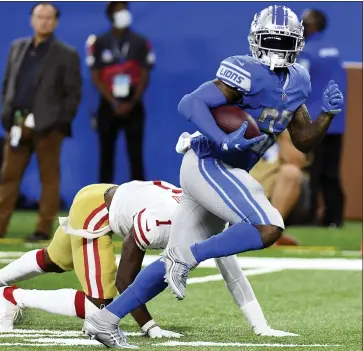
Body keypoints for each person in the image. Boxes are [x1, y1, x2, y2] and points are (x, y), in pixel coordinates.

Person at [83, 5, 344, 348]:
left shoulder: (300, 80)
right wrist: (222, 138)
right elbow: (190, 104)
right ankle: (188, 257)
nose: (278, 48)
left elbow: (302, 139)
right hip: (209, 161)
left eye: (284, 41)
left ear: (296, 43)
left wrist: (325, 115)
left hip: (228, 169)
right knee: (268, 226)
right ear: (257, 41)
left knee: (168, 266)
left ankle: (104, 320)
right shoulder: (246, 72)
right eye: (272, 40)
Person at [0, 181, 291, 341]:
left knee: (54, 259)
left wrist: (260, 327)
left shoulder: (214, 222)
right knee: (100, 308)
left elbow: (234, 276)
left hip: (113, 197)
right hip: (97, 210)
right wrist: (149, 325)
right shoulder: (163, 222)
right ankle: (11, 296)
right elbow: (125, 282)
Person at [0, 2, 82, 242]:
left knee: (48, 178)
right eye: (40, 17)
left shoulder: (66, 54)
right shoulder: (17, 47)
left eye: (49, 18)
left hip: (48, 126)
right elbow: (8, 82)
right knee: (9, 175)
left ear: (55, 21)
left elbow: (73, 93)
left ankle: (42, 229)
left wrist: (59, 122)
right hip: (17, 121)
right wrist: (7, 113)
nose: (44, 21)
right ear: (32, 19)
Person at [87, 1, 155, 183]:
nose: (123, 13)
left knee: (136, 155)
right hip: (108, 105)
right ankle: (102, 198)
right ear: (110, 15)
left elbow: (145, 75)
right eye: (118, 10)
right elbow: (96, 76)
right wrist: (114, 103)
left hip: (133, 103)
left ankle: (141, 200)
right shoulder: (99, 42)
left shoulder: (141, 42)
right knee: (106, 154)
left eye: (125, 9)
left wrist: (131, 102)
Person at [299, 9, 347, 228]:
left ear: (312, 26)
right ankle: (334, 218)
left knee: (312, 171)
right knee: (331, 172)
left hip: (315, 122)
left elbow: (300, 87)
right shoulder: (335, 51)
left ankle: (308, 217)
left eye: (304, 23)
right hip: (336, 122)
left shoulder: (307, 52)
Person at [250, 131, 311, 245]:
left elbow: (295, 160)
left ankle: (271, 233)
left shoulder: (282, 126)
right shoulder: (235, 121)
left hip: (272, 196)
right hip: (239, 188)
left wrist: (281, 135)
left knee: (291, 172)